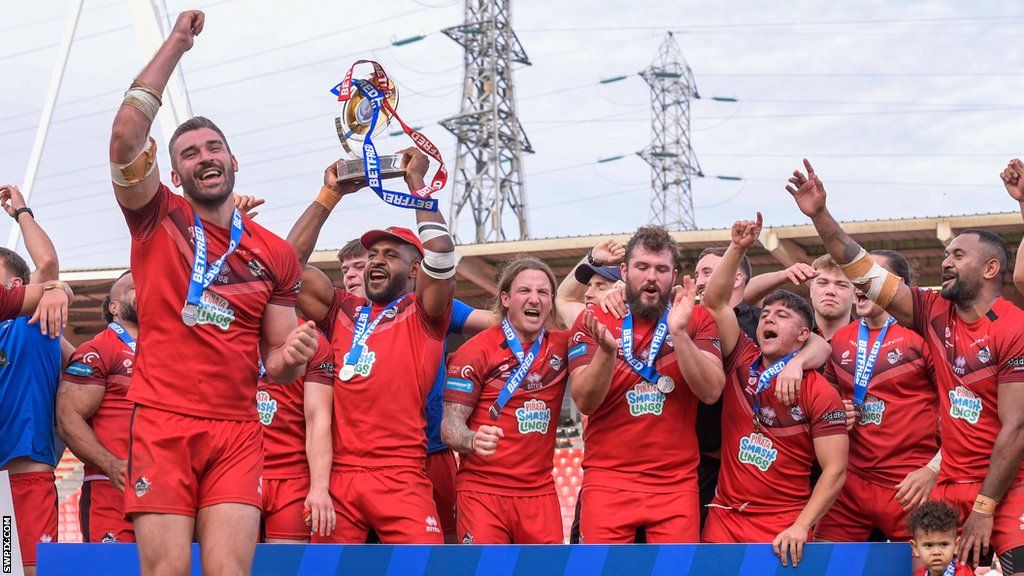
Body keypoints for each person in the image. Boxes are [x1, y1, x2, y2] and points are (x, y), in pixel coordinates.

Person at [108, 10, 319, 575]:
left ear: (233, 161)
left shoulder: (274, 253)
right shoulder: (156, 218)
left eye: (214, 148)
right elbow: (126, 136)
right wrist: (175, 45)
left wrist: (292, 356)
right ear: (174, 175)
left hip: (238, 429)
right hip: (161, 419)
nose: (205, 157)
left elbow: (277, 365)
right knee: (167, 572)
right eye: (190, 153)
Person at [787, 158, 1024, 573]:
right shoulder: (932, 312)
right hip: (948, 488)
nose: (946, 262)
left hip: (1009, 488)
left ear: (990, 269)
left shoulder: (1015, 327)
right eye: (945, 254)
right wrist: (821, 216)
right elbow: (862, 270)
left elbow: (1017, 427)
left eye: (958, 255)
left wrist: (985, 508)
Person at [286, 160, 494, 543]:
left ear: (416, 270)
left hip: (401, 475)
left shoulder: (427, 313)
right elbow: (286, 266)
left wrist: (416, 181)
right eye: (373, 254)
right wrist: (329, 195)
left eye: (390, 255)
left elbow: (441, 254)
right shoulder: (342, 310)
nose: (376, 261)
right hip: (340, 478)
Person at [700, 214, 847, 569]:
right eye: (766, 314)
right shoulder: (741, 358)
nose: (767, 319)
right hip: (724, 519)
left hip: (782, 525)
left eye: (781, 315)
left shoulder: (818, 391)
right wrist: (736, 248)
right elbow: (716, 302)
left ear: (803, 335)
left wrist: (801, 526)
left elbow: (835, 470)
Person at [567, 224, 725, 543]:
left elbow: (711, 392)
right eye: (642, 267)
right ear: (625, 271)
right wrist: (607, 353)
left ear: (674, 274)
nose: (652, 276)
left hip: (676, 484)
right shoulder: (593, 320)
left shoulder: (696, 319)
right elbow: (584, 401)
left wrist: (679, 333)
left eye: (661, 269)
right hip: (607, 481)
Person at [815, 250, 942, 546]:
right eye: (855, 275)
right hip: (851, 487)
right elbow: (827, 408)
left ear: (893, 284)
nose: (858, 282)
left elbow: (959, 413)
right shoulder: (841, 341)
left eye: (867, 274)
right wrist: (836, 415)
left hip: (910, 485)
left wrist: (933, 470)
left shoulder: (922, 336)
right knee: (823, 564)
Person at [442, 257, 572, 544]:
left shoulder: (562, 346)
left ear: (552, 301)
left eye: (543, 293)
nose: (534, 299)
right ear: (506, 298)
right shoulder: (475, 351)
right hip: (483, 493)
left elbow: (583, 312)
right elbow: (450, 425)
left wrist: (590, 264)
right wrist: (473, 439)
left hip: (539, 494)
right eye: (525, 291)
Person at [0, 185, 74, 575]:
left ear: (16, 286)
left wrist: (21, 212)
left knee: (26, 572)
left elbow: (47, 267)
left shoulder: (34, 320)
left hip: (24, 479)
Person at [56, 272, 137, 544]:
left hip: (169, 491)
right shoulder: (99, 349)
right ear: (113, 306)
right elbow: (69, 416)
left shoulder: (172, 351)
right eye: (133, 285)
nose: (143, 286)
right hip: (110, 486)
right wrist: (111, 465)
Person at [256, 325, 335, 543]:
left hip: (292, 479)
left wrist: (319, 488)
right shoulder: (233, 327)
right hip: (239, 470)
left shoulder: (310, 338)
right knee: (226, 566)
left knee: (286, 567)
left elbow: (317, 418)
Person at [746, 255, 853, 342]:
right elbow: (742, 298)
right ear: (811, 289)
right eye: (822, 283)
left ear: (855, 294)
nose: (830, 291)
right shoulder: (785, 329)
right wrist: (783, 275)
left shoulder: (866, 339)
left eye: (841, 285)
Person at [555, 239, 624, 327]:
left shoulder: (639, 322)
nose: (587, 294)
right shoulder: (585, 322)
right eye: (588, 286)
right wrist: (591, 258)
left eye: (601, 287)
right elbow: (563, 299)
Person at [908, 500, 976, 576]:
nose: (936, 552)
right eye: (929, 545)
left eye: (944, 544)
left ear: (956, 545)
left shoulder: (965, 574)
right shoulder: (919, 574)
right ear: (915, 549)